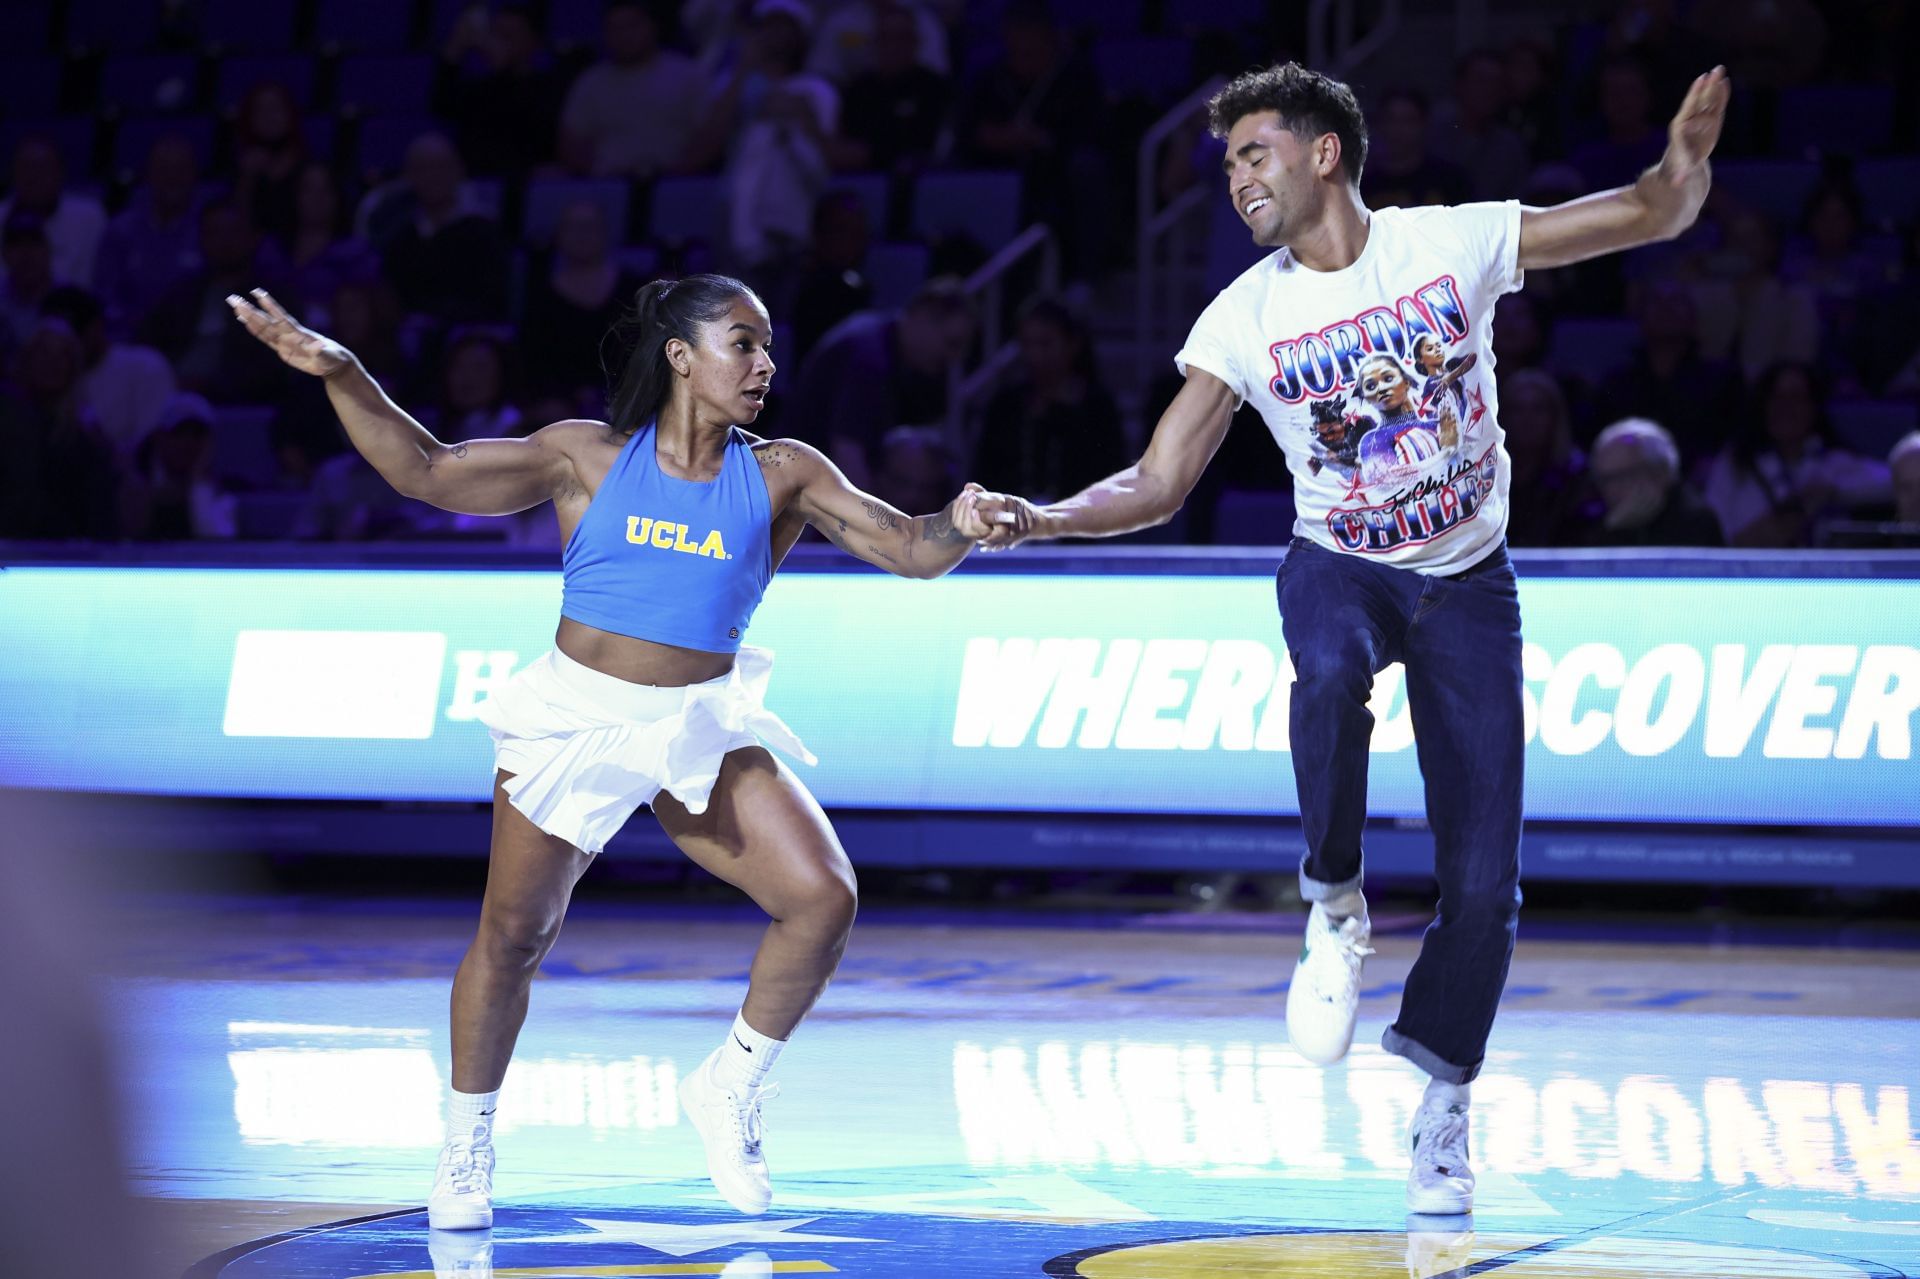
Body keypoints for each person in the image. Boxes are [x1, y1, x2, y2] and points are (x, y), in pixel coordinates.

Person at [976, 59, 1731, 1216]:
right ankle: (1332, 900)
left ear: (1323, 152)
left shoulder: (1451, 242)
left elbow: (1644, 215)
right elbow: (1160, 478)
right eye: (1226, 163)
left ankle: (1441, 1100)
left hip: (1471, 579)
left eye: (1253, 153)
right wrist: (1044, 517)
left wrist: (1678, 176)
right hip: (1341, 565)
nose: (1236, 179)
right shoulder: (1245, 313)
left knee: (1485, 883)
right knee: (1326, 668)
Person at [226, 273, 1001, 1230]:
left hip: (696, 721)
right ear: (680, 355)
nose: (765, 365)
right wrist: (341, 371)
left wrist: (961, 528)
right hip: (575, 715)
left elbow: (912, 549)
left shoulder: (783, 472)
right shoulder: (584, 457)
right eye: (742, 343)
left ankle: (729, 1085)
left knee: (822, 897)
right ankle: (467, 1141)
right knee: (513, 937)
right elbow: (424, 470)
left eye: (766, 346)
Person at [1701, 359, 1891, 547]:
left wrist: (1831, 491)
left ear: (1814, 406)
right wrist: (1799, 506)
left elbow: (1897, 480)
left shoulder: (1834, 464)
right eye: (1776, 396)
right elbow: (1715, 538)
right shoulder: (1734, 463)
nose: (1785, 407)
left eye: (1796, 396)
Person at [971, 296, 1127, 505]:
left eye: (1045, 343)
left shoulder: (1096, 407)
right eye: (1027, 343)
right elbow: (987, 473)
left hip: (1079, 525)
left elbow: (1110, 475)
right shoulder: (1006, 406)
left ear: (1073, 344)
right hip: (1010, 525)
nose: (1035, 355)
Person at [559, 0, 705, 181]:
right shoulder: (591, 81)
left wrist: (680, 171)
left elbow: (708, 135)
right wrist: (598, 172)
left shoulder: (688, 74)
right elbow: (571, 142)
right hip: (608, 185)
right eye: (614, 28)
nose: (623, 35)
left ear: (653, 27)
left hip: (675, 182)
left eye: (631, 26)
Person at [1581, 416, 1723, 546]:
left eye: (1623, 475)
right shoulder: (1597, 516)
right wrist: (1611, 529)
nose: (1611, 489)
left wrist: (1617, 532)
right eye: (1605, 479)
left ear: (1661, 472)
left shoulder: (1696, 520)